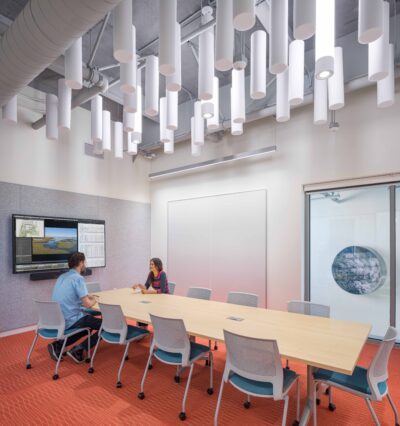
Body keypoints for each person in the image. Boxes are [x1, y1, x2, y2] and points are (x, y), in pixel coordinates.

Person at [50, 252, 102, 363]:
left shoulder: (62, 277)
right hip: (72, 318)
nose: (85, 264)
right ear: (81, 263)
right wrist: (95, 299)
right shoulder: (78, 278)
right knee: (107, 325)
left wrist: (87, 295)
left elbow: (69, 295)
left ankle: (58, 345)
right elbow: (88, 304)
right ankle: (79, 349)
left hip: (60, 318)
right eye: (85, 262)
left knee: (89, 327)